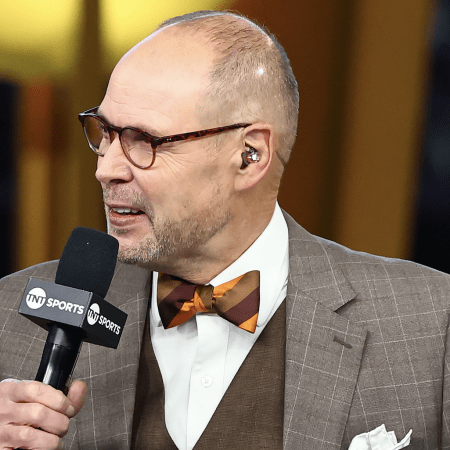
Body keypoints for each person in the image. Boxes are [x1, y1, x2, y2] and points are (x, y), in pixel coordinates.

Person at [0, 10, 448, 450]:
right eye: (106, 132)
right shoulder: (8, 320)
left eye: (144, 140)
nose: (107, 170)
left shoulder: (430, 324)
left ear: (249, 155)